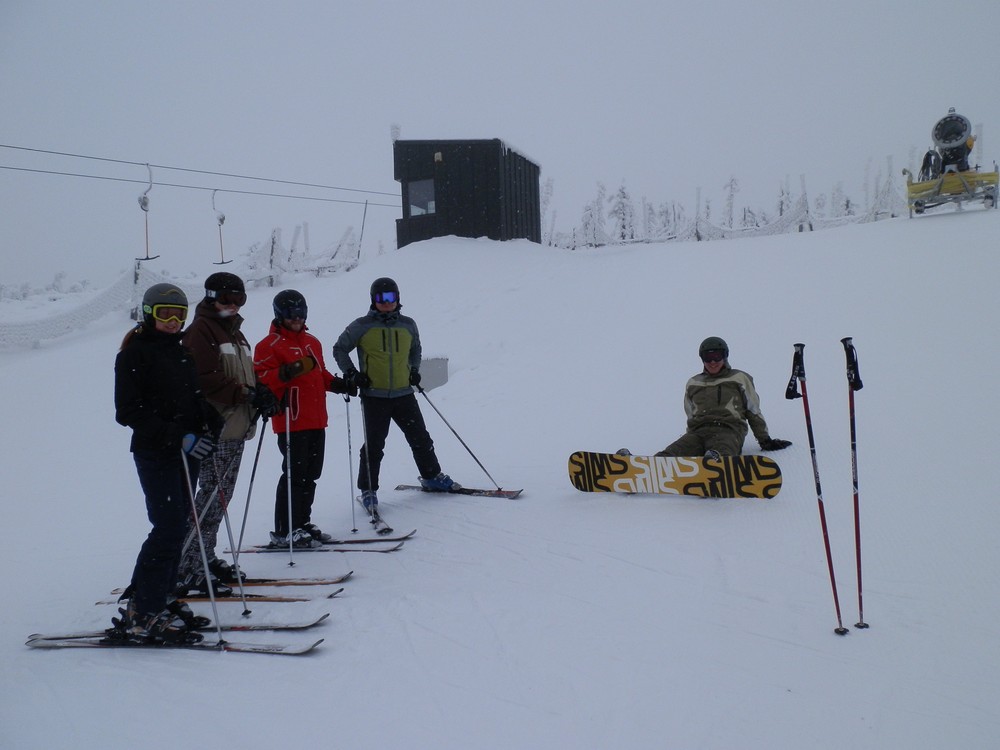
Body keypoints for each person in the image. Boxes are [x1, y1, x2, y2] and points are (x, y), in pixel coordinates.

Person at [113, 283, 223, 643]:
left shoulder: (181, 352)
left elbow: (191, 397)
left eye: (179, 315)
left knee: (180, 525)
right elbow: (128, 411)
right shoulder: (134, 355)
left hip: (185, 452)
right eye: (165, 314)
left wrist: (209, 418)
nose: (173, 321)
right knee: (168, 527)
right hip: (156, 451)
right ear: (149, 314)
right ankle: (143, 610)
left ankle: (161, 595)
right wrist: (177, 436)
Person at [176, 272, 278, 595]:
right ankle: (187, 566)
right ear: (210, 298)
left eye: (239, 299)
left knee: (220, 499)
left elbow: (245, 374)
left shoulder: (235, 333)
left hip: (236, 426)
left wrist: (261, 391)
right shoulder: (201, 331)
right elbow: (204, 378)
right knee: (210, 499)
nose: (233, 305)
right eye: (226, 299)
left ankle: (204, 556)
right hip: (215, 428)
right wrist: (246, 394)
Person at [332, 277, 459, 513]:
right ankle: (368, 489)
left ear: (397, 298)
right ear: (373, 300)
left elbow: (416, 349)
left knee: (420, 437)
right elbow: (339, 348)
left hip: (403, 393)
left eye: (390, 297)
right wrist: (352, 374)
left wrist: (414, 370)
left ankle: (431, 476)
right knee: (374, 445)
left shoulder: (408, 324)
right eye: (381, 298)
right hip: (374, 396)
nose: (386, 302)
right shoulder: (361, 326)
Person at [254, 289, 355, 548]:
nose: (296, 318)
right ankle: (285, 529)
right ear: (280, 315)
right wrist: (289, 371)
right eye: (290, 313)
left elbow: (320, 374)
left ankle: (301, 522)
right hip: (291, 418)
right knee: (294, 474)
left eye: (300, 312)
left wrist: (339, 385)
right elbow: (261, 379)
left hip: (316, 418)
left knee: (311, 474)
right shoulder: (268, 345)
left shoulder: (312, 342)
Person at [654, 336, 791, 459]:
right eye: (708, 357)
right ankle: (655, 466)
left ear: (725, 356)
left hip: (729, 430)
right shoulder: (693, 383)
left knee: (720, 452)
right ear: (702, 359)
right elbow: (690, 414)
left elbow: (753, 410)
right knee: (673, 452)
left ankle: (716, 465)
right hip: (698, 432)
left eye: (717, 356)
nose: (713, 362)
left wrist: (765, 440)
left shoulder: (739, 378)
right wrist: (690, 438)